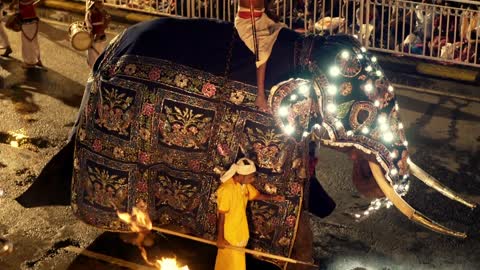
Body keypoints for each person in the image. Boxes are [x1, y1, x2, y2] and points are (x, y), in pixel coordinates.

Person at [215, 157, 284, 270]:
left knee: (228, 265)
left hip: (240, 231)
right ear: (241, 175)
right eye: (251, 177)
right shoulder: (226, 190)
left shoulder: (244, 185)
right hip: (230, 236)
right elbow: (221, 215)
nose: (252, 180)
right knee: (232, 265)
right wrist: (220, 238)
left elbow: (256, 195)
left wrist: (274, 198)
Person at [234, 0, 285, 112]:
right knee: (263, 53)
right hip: (247, 21)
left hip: (262, 18)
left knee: (282, 31)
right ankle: (260, 95)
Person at [11, 0, 42, 68]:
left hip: (26, 22)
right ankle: (37, 59)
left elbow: (12, 6)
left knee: (27, 42)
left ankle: (30, 62)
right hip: (33, 22)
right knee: (34, 41)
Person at [85, 0, 110, 68]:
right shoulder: (89, 13)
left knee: (100, 51)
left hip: (101, 35)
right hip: (93, 36)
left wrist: (101, 30)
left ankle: (99, 66)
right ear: (94, 4)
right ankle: (93, 67)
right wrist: (91, 33)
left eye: (100, 2)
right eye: (98, 2)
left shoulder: (104, 12)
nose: (100, 4)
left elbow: (107, 20)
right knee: (92, 54)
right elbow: (88, 24)